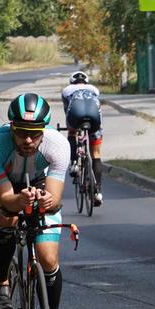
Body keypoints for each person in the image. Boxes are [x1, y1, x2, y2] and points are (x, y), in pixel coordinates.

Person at [0, 92, 69, 309]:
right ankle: (1, 284)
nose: (28, 140)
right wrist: (18, 202)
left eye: (34, 133)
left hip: (40, 180)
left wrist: (44, 201)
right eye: (21, 133)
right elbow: (7, 200)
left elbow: (54, 197)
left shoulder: (58, 146)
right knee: (7, 220)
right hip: (3, 181)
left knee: (49, 259)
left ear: (44, 130)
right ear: (11, 128)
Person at [61, 70, 104, 207]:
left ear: (71, 81)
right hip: (95, 121)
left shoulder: (67, 90)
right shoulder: (94, 89)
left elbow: (67, 111)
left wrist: (71, 128)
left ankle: (74, 163)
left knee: (72, 132)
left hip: (76, 117)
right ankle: (97, 192)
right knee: (96, 154)